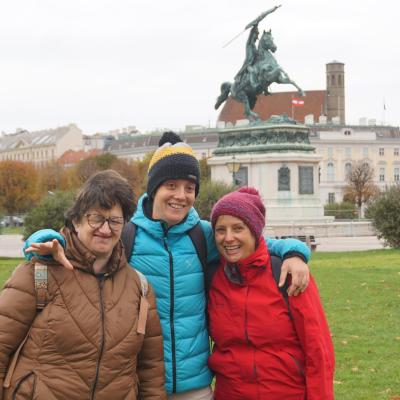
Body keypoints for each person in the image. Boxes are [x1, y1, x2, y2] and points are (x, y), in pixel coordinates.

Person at [24, 132, 312, 400]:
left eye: (189, 188)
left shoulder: (204, 235)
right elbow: (75, 242)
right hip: (138, 381)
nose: (181, 195)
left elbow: (254, 242)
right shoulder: (126, 234)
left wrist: (294, 251)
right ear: (154, 188)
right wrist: (42, 239)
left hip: (195, 385)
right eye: (171, 186)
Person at [0, 170, 166, 400]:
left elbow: (151, 371)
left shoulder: (140, 288)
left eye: (115, 221)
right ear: (77, 220)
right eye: (96, 218)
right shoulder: (38, 274)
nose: (106, 229)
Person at [208, 187, 335, 400]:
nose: (228, 238)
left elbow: (318, 351)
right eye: (221, 230)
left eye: (238, 228)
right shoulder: (214, 277)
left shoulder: (288, 274)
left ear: (255, 231)